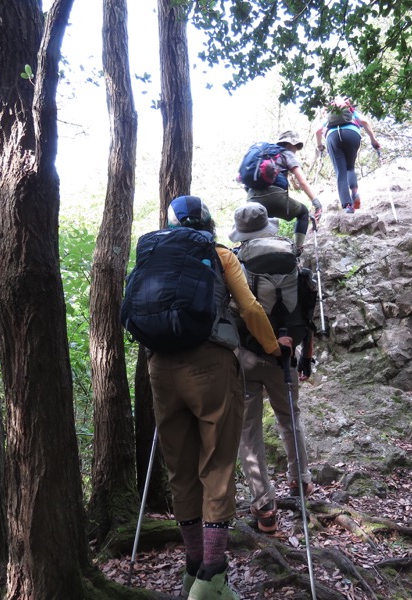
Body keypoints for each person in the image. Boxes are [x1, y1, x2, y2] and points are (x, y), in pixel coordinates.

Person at [148, 195, 291, 599]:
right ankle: (212, 578)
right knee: (216, 466)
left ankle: (192, 570)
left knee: (181, 470)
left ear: (172, 223)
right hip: (210, 366)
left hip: (161, 367)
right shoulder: (220, 254)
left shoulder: (153, 250)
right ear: (208, 221)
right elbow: (248, 307)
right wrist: (272, 347)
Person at [228, 202, 315, 534]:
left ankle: (265, 505)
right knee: (290, 418)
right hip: (286, 354)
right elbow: (306, 311)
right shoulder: (292, 256)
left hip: (247, 357)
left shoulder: (237, 261)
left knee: (248, 431)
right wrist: (305, 355)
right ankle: (301, 482)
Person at [245, 130, 322, 253]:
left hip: (251, 198)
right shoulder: (286, 153)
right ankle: (297, 251)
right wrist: (316, 202)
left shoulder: (261, 155)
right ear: (289, 144)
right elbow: (302, 181)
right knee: (303, 213)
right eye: (295, 147)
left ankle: (251, 254)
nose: (295, 150)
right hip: (274, 196)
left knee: (264, 225)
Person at [315, 96, 381, 214]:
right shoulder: (351, 111)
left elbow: (317, 130)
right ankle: (354, 192)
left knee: (341, 171)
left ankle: (348, 205)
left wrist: (320, 146)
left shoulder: (328, 116)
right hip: (352, 133)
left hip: (332, 136)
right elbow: (365, 122)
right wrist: (373, 140)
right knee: (350, 167)